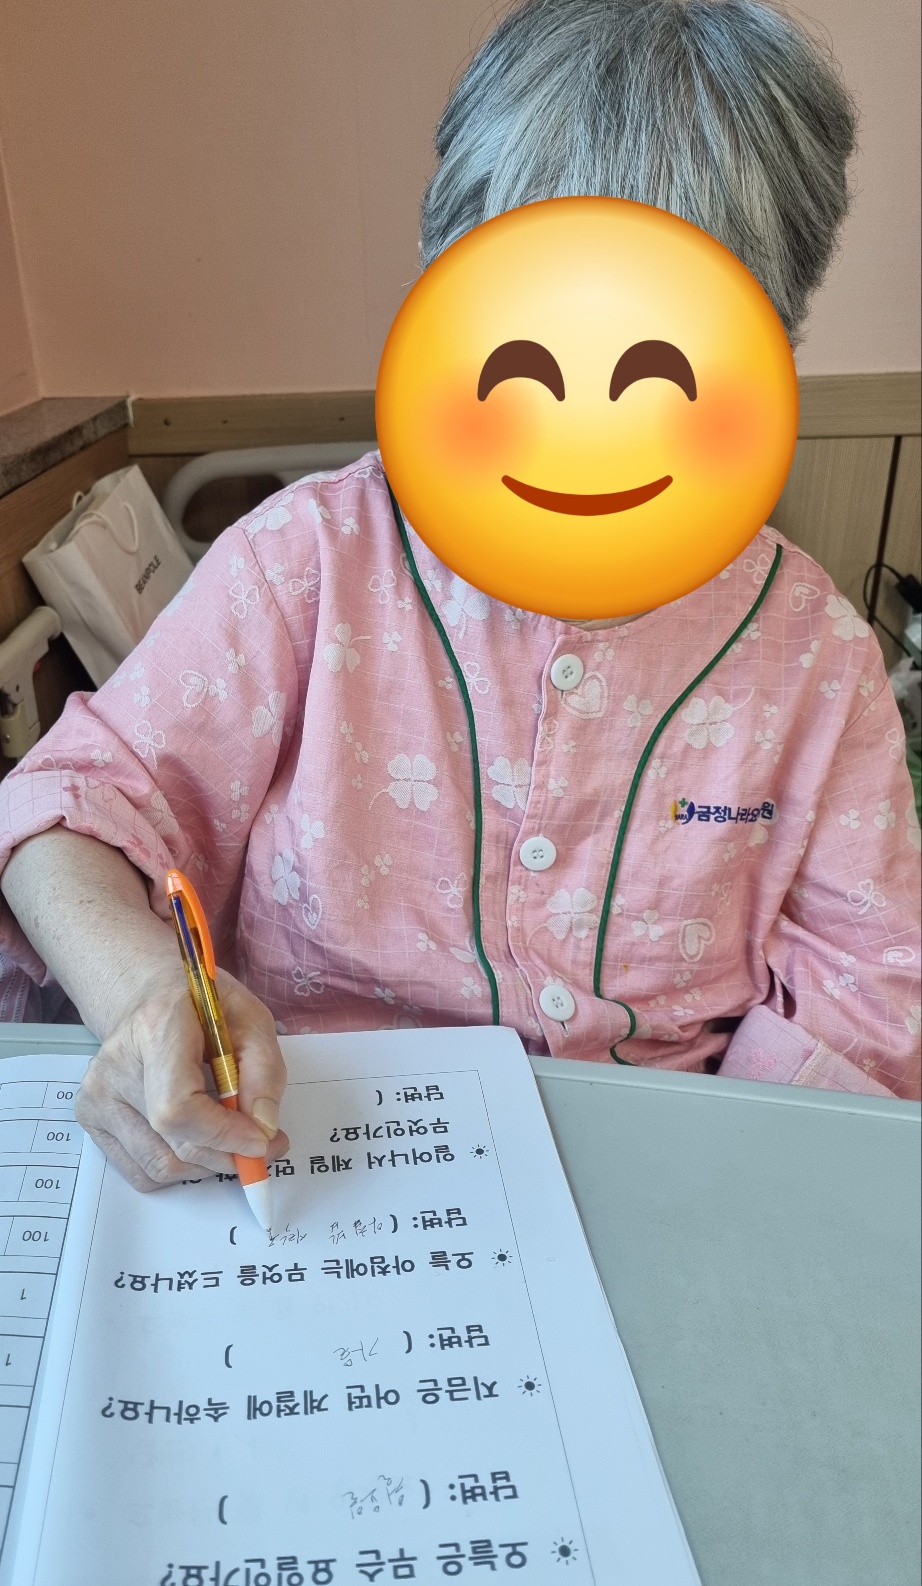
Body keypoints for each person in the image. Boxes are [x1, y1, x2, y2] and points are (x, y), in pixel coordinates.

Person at [0, 0, 918, 1196]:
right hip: (319, 1158)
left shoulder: (814, 654)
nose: (586, 420)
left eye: (660, 361)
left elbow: (872, 979)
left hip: (674, 1170)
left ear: (770, 342)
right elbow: (66, 809)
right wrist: (143, 991)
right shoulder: (305, 564)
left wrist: (712, 1178)